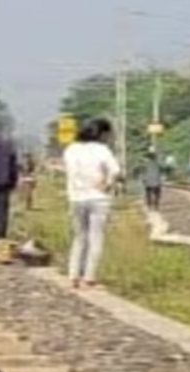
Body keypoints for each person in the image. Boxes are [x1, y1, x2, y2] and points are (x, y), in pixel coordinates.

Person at [62, 117, 121, 290]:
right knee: (96, 237)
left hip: (76, 197)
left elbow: (69, 170)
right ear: (101, 133)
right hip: (98, 198)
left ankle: (73, 276)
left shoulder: (70, 149)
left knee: (79, 237)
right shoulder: (102, 150)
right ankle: (89, 277)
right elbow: (116, 170)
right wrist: (107, 184)